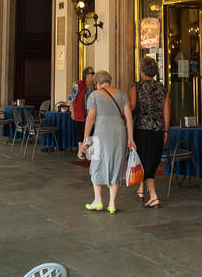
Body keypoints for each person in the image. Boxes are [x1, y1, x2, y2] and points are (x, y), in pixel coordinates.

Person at [79, 70, 134, 214]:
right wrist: (130, 138)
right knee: (116, 163)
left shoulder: (94, 95)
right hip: (119, 132)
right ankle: (112, 204)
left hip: (101, 132)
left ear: (97, 83)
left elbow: (91, 118)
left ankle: (98, 200)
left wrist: (86, 139)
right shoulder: (121, 94)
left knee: (97, 163)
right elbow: (129, 117)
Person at [128, 57, 169, 208]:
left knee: (145, 163)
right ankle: (141, 188)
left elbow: (131, 108)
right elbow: (166, 111)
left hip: (141, 130)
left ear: (141, 71)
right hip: (158, 130)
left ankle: (153, 195)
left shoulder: (136, 87)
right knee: (150, 160)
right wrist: (165, 130)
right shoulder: (162, 87)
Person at [69, 67, 93, 146]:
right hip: (80, 113)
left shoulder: (95, 86)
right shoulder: (78, 84)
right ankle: (80, 150)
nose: (93, 75)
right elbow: (71, 98)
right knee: (80, 133)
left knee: (91, 132)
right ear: (86, 75)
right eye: (92, 73)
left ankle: (88, 151)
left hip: (92, 114)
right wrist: (72, 111)